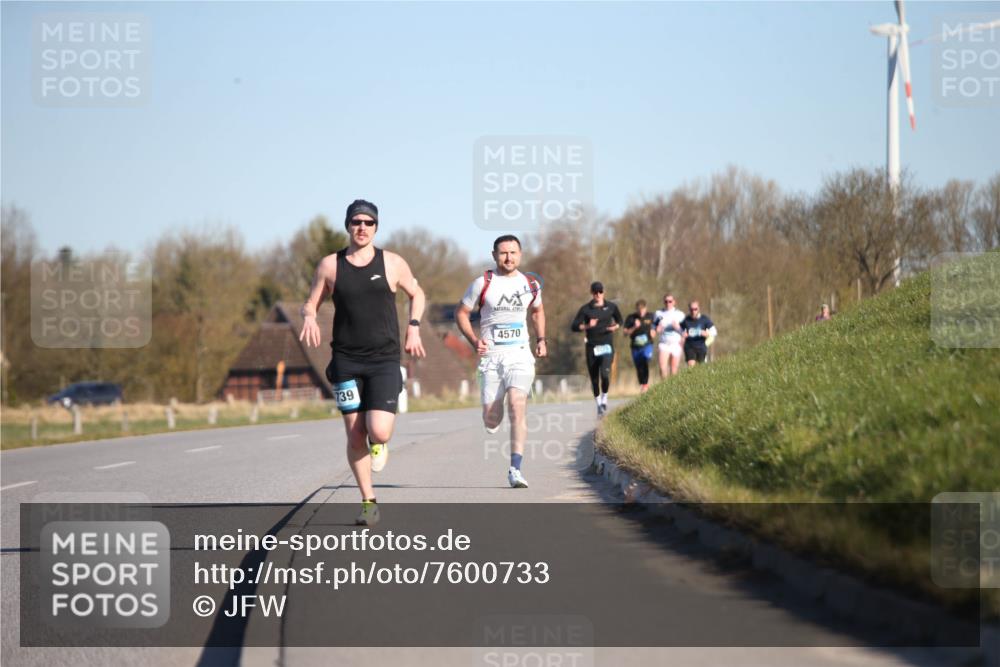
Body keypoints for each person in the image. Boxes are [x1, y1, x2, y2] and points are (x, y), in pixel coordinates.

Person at [299, 199, 426, 526]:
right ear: (348, 225)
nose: (362, 227)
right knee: (354, 435)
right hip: (346, 360)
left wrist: (414, 328)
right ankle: (369, 501)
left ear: (376, 227)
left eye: (369, 222)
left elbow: (418, 293)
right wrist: (310, 318)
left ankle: (378, 444)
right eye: (356, 222)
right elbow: (311, 303)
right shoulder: (330, 265)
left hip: (384, 359)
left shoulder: (392, 263)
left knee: (379, 431)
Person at [455, 235, 546, 489]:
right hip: (491, 358)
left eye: (513, 252)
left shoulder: (531, 284)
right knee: (491, 419)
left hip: (520, 354)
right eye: (504, 253)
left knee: (518, 406)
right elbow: (461, 313)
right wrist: (474, 341)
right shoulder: (482, 283)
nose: (509, 257)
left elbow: (538, 311)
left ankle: (515, 469)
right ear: (494, 255)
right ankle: (492, 415)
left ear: (521, 254)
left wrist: (541, 339)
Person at [571, 282, 623, 417]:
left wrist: (615, 327)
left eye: (600, 292)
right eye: (595, 292)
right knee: (594, 378)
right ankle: (599, 403)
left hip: (606, 345)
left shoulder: (611, 307)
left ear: (603, 292)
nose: (598, 295)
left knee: (605, 374)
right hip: (592, 347)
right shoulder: (586, 309)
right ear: (591, 293)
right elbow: (574, 326)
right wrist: (588, 326)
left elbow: (620, 321)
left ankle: (605, 398)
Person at [623, 299, 655, 393]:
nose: (641, 312)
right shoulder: (631, 318)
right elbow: (625, 333)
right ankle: (642, 384)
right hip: (635, 347)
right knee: (639, 366)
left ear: (646, 308)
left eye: (643, 310)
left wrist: (655, 330)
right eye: (639, 310)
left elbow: (658, 324)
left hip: (647, 345)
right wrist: (634, 327)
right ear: (636, 309)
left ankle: (645, 385)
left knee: (645, 360)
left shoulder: (651, 316)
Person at [653, 294, 685, 379]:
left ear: (674, 302)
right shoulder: (659, 314)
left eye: (670, 301)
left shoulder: (679, 314)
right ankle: (663, 387)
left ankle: (672, 389)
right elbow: (653, 327)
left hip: (676, 344)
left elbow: (685, 331)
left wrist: (678, 328)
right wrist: (657, 329)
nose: (668, 303)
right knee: (662, 367)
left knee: (674, 369)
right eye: (666, 301)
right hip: (664, 343)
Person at [681, 301, 717, 367]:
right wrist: (683, 334)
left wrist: (706, 333)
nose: (693, 311)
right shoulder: (686, 320)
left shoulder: (704, 319)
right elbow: (680, 330)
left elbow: (714, 332)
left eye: (695, 309)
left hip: (701, 346)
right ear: (689, 309)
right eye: (691, 309)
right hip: (689, 346)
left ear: (699, 309)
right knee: (691, 365)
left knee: (702, 366)